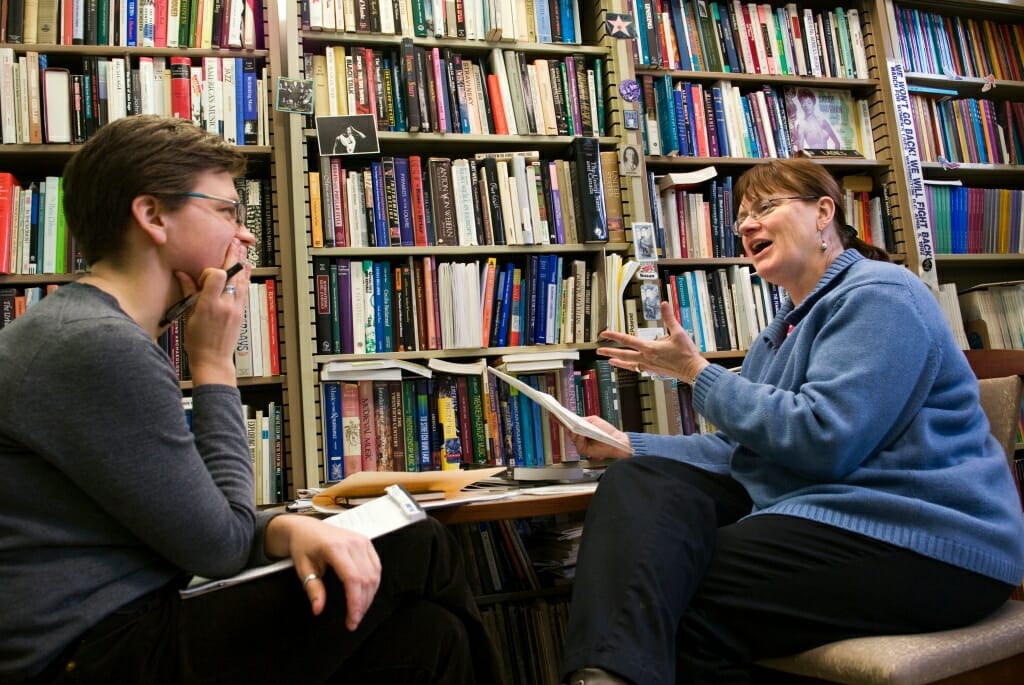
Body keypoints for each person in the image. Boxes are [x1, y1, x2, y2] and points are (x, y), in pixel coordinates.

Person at [0, 116, 500, 685]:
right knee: (415, 540)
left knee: (430, 637)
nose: (246, 235)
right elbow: (219, 547)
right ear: (152, 215)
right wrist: (214, 366)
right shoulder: (95, 344)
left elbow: (201, 520)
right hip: (93, 653)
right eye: (227, 212)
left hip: (122, 627)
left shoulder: (83, 329)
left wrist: (279, 529)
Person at [560, 158, 1024, 685]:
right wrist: (631, 446)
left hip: (929, 542)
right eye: (740, 218)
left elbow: (823, 439)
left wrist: (696, 373)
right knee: (639, 487)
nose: (746, 225)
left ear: (824, 212)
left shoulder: (881, 295)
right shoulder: (779, 334)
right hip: (834, 520)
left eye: (765, 208)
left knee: (669, 594)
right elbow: (741, 453)